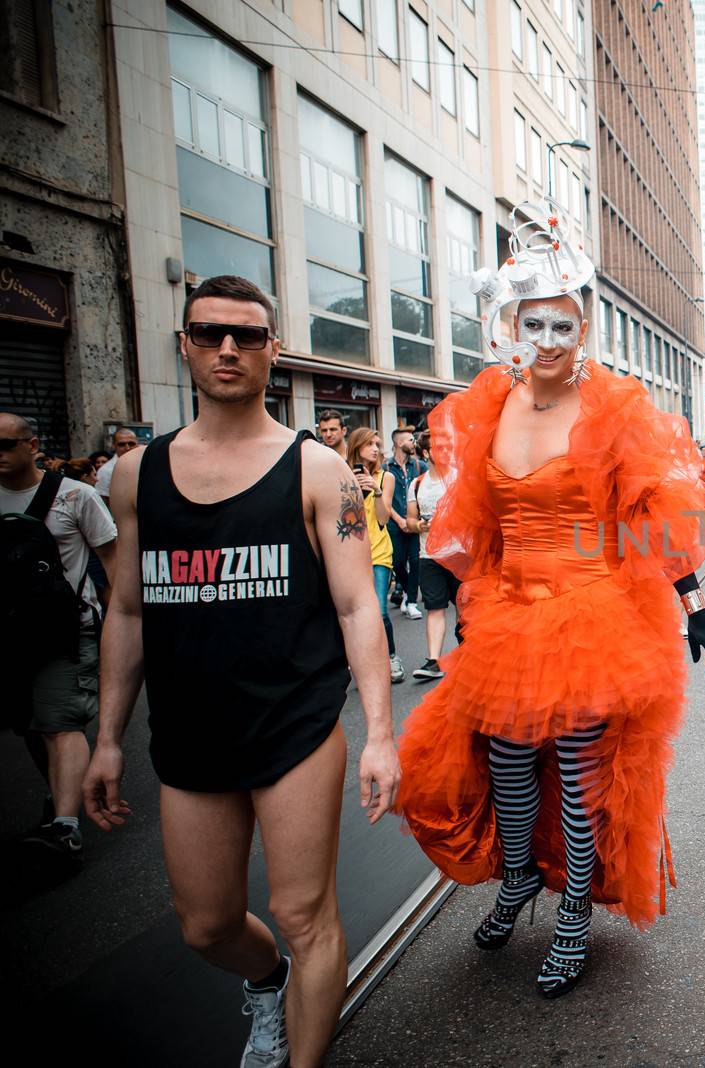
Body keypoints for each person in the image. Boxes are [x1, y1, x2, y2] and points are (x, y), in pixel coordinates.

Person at [394, 204, 705, 999]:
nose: (546, 342)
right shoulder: (484, 407)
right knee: (507, 764)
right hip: (510, 616)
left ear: (583, 332)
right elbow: (475, 524)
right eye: (533, 325)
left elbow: (653, 514)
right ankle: (517, 879)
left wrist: (693, 603)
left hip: (591, 612)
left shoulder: (614, 408)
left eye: (562, 327)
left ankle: (574, 907)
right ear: (512, 324)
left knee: (577, 775)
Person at [81, 274, 399, 1068]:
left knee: (304, 913)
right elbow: (125, 613)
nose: (228, 348)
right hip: (189, 737)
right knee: (208, 925)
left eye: (248, 336)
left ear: (272, 350)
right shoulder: (133, 476)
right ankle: (267, 983)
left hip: (294, 727)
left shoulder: (320, 471)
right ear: (184, 343)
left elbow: (362, 607)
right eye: (209, 332)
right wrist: (107, 739)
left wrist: (380, 737)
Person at [1, 413, 117, 858]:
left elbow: (113, 563)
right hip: (10, 636)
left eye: (6, 445)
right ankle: (60, 790)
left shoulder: (75, 496)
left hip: (65, 629)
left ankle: (64, 827)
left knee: (59, 721)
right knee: (30, 723)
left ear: (32, 446)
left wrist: (120, 625)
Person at [345, 428, 403, 684]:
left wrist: (376, 492)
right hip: (349, 555)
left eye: (377, 444)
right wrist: (353, 490)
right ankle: (362, 664)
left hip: (379, 552)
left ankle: (391, 657)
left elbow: (382, 518)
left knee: (379, 610)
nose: (376, 449)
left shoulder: (386, 477)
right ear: (357, 447)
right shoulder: (343, 474)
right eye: (370, 444)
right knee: (354, 614)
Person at [406, 430, 457, 681]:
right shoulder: (416, 484)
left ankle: (471, 654)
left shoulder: (460, 479)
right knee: (435, 608)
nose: (447, 452)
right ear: (426, 453)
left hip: (460, 554)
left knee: (467, 609)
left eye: (449, 447)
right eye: (440, 448)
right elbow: (410, 520)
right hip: (429, 556)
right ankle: (433, 661)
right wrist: (420, 526)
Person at [385, 425, 424, 619]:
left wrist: (414, 520)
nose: (413, 443)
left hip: (415, 523)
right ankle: (408, 591)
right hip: (394, 523)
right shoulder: (386, 467)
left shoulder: (419, 466)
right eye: (410, 440)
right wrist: (400, 520)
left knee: (416, 562)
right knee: (397, 562)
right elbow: (384, 499)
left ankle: (410, 602)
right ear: (399, 443)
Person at [93, 426, 141, 503]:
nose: (127, 448)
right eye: (122, 444)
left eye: (131, 443)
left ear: (137, 444)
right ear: (114, 446)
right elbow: (103, 501)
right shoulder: (105, 471)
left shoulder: (145, 464)